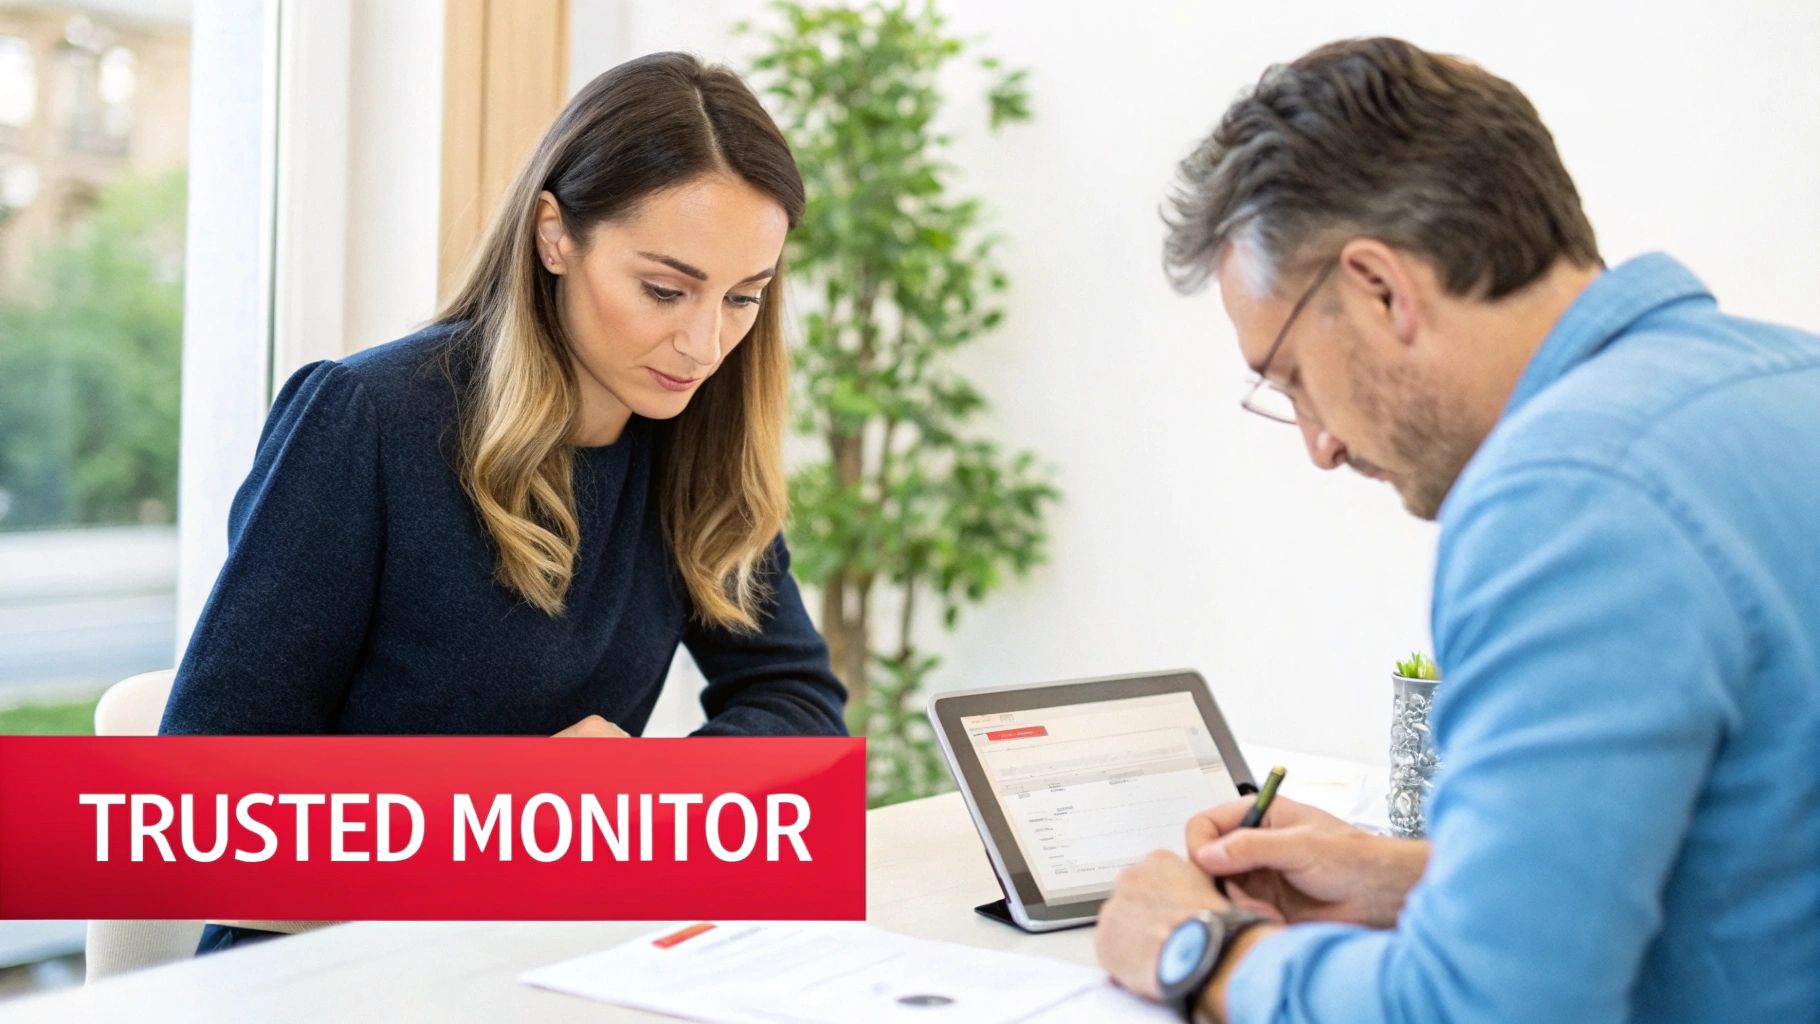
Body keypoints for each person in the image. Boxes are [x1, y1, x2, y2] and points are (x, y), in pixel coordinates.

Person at [1094, 36, 1820, 1023]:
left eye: (1292, 378)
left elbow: (1481, 1010)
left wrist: (1203, 949)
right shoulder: (1783, 382)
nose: (1318, 445)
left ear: (1379, 288)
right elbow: (1754, 870)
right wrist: (1415, 883)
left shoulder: (1566, 494)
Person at [162, 53, 848, 953]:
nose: (705, 343)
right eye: (664, 290)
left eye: (744, 298)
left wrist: (652, 801)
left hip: (548, 959)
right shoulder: (368, 419)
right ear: (555, 235)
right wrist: (510, 827)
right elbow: (198, 811)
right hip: (330, 972)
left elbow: (797, 701)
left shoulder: (693, 448)